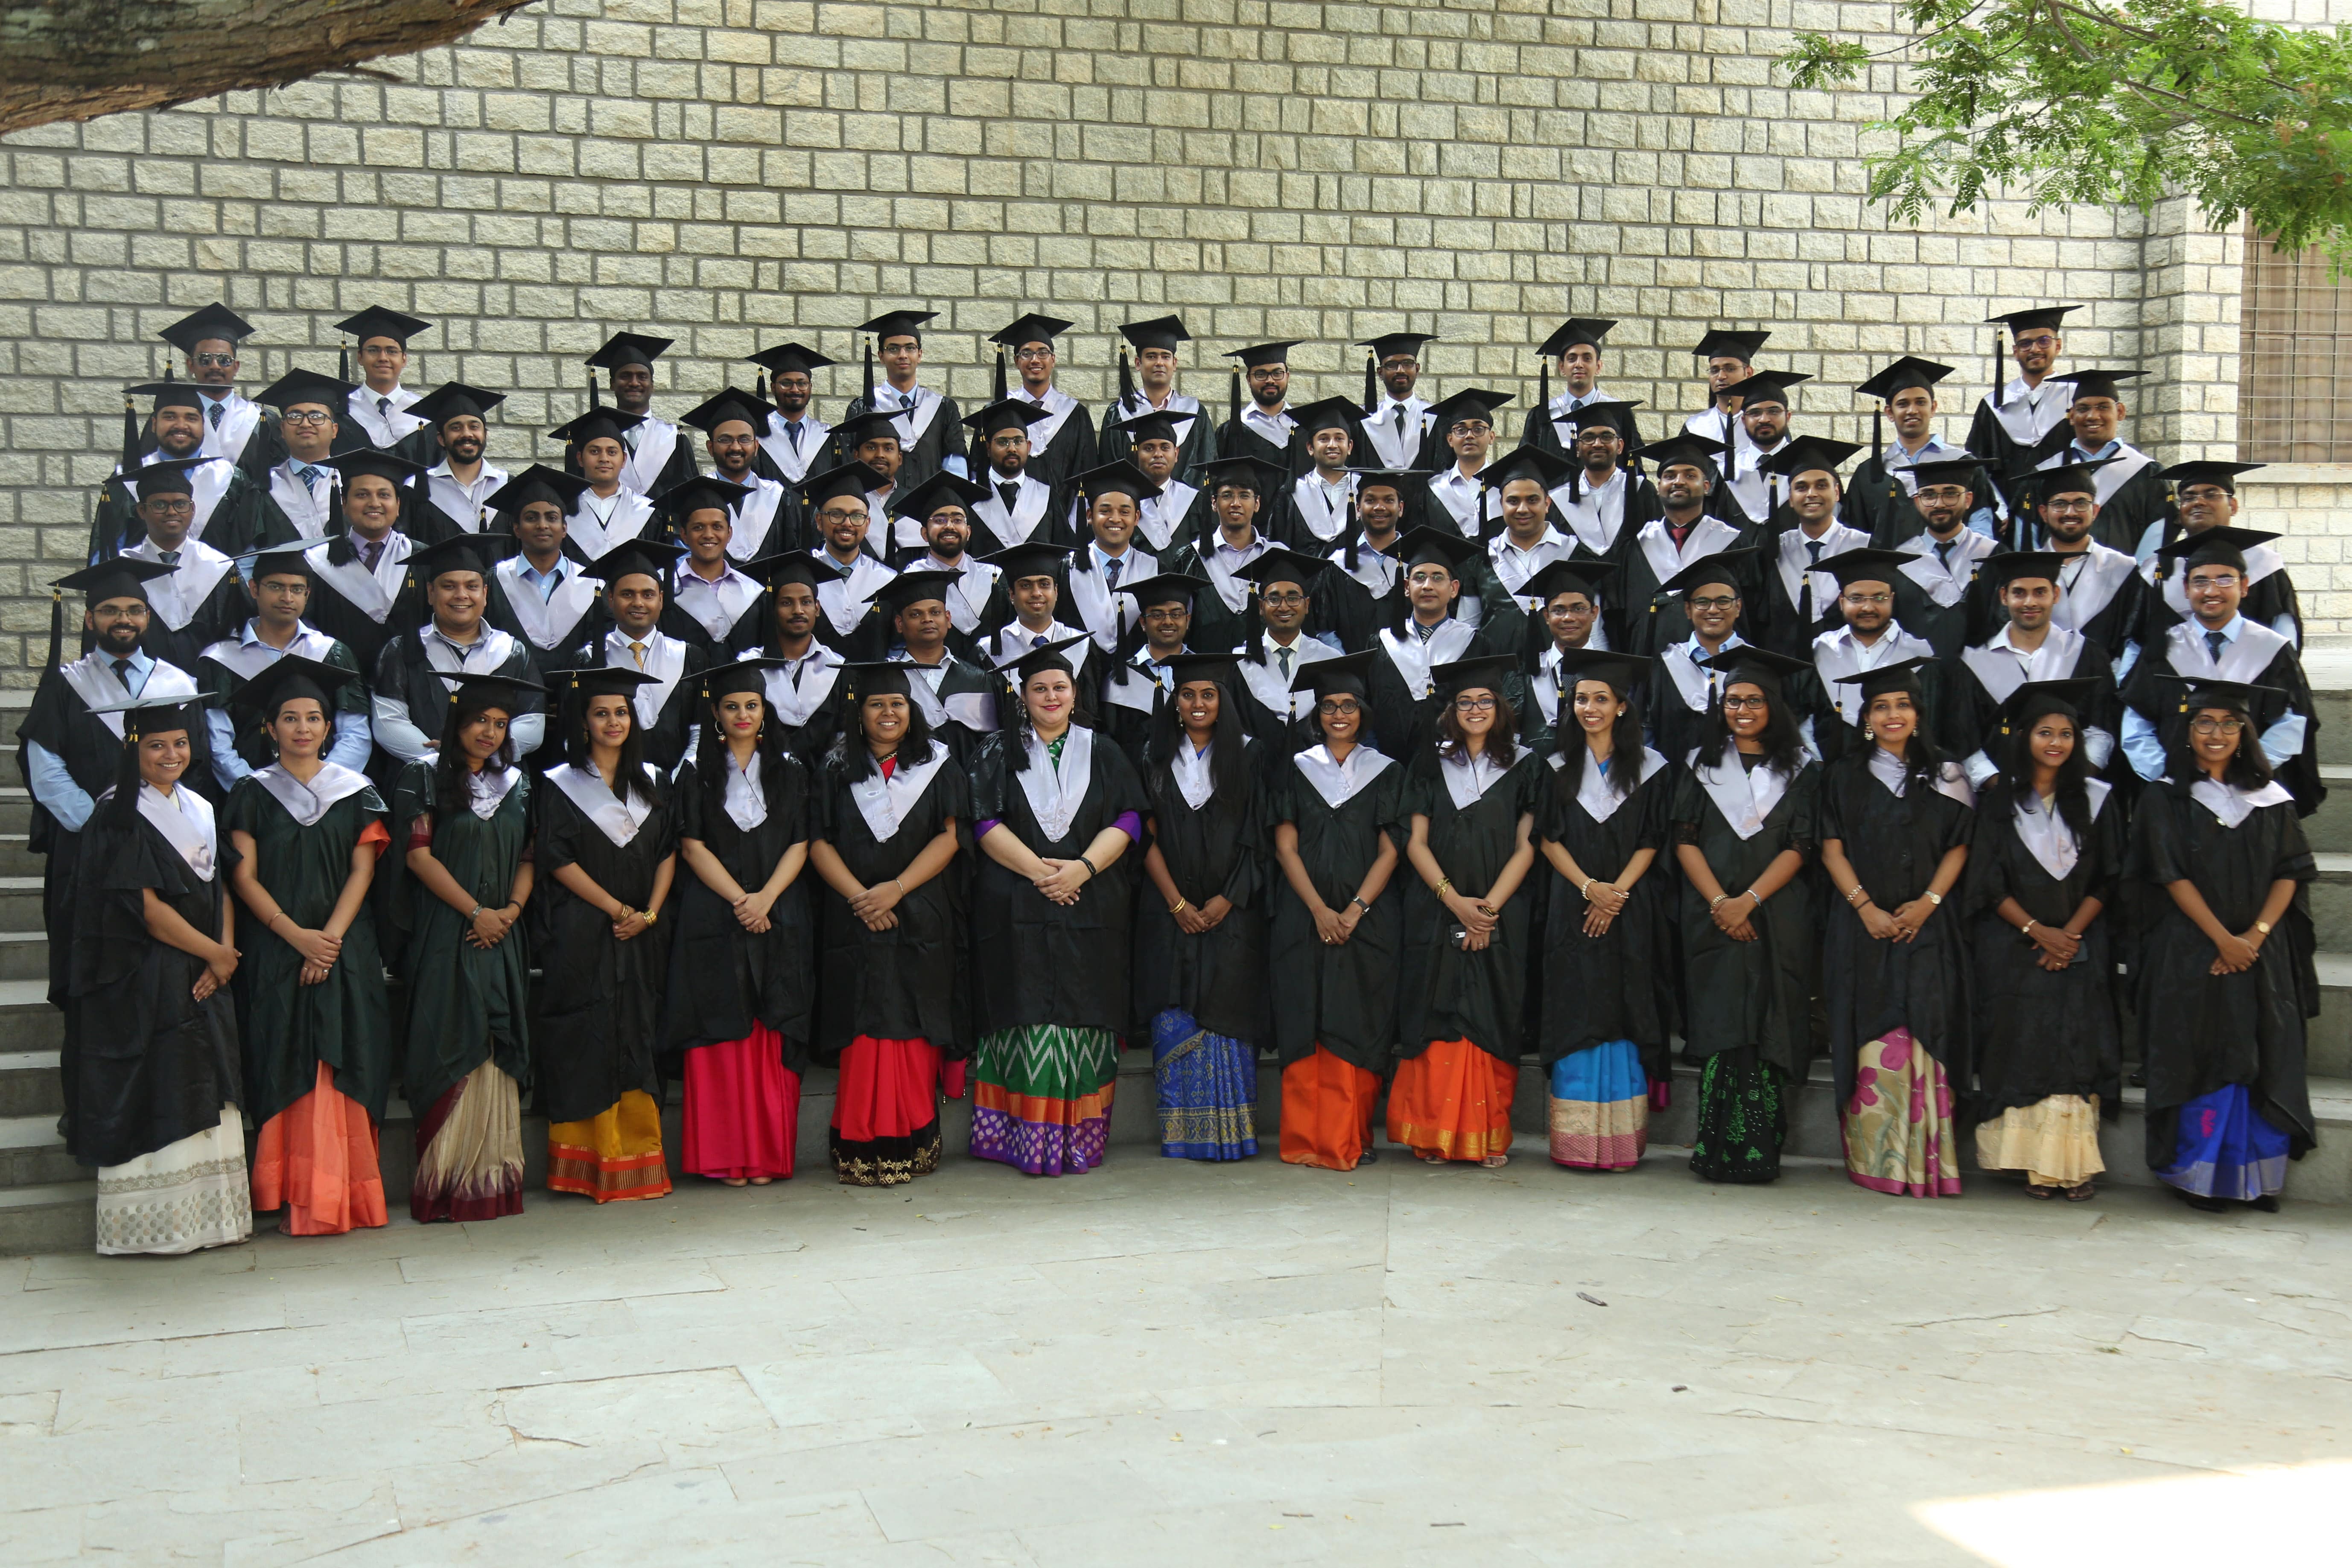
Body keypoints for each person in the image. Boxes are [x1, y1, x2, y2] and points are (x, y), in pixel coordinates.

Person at [61, 693, 253, 1255]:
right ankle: (161, 1226)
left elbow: (219, 887)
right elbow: (143, 909)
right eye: (156, 745)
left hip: (203, 966)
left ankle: (212, 1221)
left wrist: (224, 949)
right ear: (133, 749)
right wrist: (214, 956)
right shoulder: (117, 814)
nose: (171, 754)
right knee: (162, 1077)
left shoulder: (200, 806)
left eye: (179, 743)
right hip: (145, 971)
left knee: (206, 1074)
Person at [2131, 677, 2318, 1212]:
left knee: (2263, 1050)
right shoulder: (2164, 795)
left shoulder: (2271, 797)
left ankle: (2254, 1179)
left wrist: (2253, 936)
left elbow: (2290, 871)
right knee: (2202, 1051)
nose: (2217, 734)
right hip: (2192, 949)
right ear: (2186, 732)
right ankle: (2202, 1176)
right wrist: (2222, 939)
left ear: (2245, 731)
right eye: (2204, 723)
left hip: (2260, 950)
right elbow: (2168, 874)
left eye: (2229, 723)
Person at [222, 657, 394, 1236]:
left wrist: (330, 941)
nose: (302, 728)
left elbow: (362, 871)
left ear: (329, 727)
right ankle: (295, 1190)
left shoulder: (356, 791)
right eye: (290, 718)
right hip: (276, 947)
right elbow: (243, 877)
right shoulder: (251, 791)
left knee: (341, 1054)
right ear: (269, 728)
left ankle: (344, 1190)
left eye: (314, 717)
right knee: (287, 1053)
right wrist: (295, 936)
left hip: (345, 946)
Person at [965, 634, 1147, 1176]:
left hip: (1091, 902)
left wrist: (1082, 869)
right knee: (1025, 1010)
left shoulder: (1103, 749)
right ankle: (1024, 1139)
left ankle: (1077, 1138)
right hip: (1018, 901)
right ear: (1021, 695)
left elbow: (1130, 818)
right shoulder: (997, 750)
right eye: (1039, 688)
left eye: (1059, 687)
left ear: (1074, 693)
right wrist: (1042, 872)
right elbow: (983, 821)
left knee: (1084, 1011)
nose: (1050, 696)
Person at [1818, 659, 1975, 1199]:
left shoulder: (1948, 776)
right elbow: (1831, 847)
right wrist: (1863, 907)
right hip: (1860, 930)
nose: (1892, 715)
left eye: (1902, 705)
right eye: (1881, 706)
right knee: (1870, 1035)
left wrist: (1928, 903)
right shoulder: (1842, 774)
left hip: (1928, 929)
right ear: (1865, 717)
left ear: (1917, 713)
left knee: (1925, 1030)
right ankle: (1876, 1159)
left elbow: (1959, 845)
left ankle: (1926, 1161)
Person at [19, 558, 202, 1011]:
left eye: (134, 609)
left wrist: (159, 828)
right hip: (87, 844)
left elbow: (196, 763)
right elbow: (45, 766)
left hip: (166, 844)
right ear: (90, 619)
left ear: (147, 616)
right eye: (110, 610)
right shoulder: (65, 685)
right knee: (94, 963)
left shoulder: (177, 683)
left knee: (162, 964)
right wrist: (100, 823)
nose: (123, 619)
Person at [809, 662, 969, 1183]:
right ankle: (860, 1144)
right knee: (865, 1022)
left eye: (897, 704)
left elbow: (949, 837)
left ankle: (913, 1141)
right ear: (859, 714)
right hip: (854, 916)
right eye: (877, 704)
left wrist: (894, 889)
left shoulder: (937, 764)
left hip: (920, 911)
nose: (888, 712)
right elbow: (818, 842)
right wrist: (862, 898)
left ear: (912, 710)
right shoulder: (834, 767)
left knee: (911, 1020)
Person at [1964, 679, 2123, 1201]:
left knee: (2074, 1048)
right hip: (2013, 948)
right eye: (2043, 732)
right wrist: (2038, 931)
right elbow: (1986, 883)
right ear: (2023, 737)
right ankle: (2030, 1163)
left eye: (2065, 733)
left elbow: (2109, 878)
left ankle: (2071, 1166)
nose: (2055, 743)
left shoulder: (2098, 800)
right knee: (2022, 1044)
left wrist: (2069, 934)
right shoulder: (1997, 802)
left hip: (2078, 947)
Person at [665, 658, 817, 1187]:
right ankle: (727, 1155)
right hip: (716, 913)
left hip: (779, 911)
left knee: (771, 1026)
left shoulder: (791, 770)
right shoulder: (695, 771)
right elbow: (690, 844)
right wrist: (741, 900)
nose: (742, 714)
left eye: (751, 705)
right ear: (715, 713)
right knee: (721, 1032)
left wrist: (767, 897)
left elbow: (802, 840)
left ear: (764, 710)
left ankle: (767, 1155)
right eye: (731, 706)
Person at [393, 673, 539, 1223]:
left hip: (503, 931)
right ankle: (446, 1181)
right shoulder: (422, 777)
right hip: (445, 931)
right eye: (480, 720)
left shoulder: (518, 784)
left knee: (494, 1044)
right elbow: (418, 856)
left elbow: (528, 856)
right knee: (448, 1035)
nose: (490, 732)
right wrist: (476, 913)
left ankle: (492, 1181)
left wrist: (510, 913)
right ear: (456, 722)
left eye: (501, 724)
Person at [1671, 647, 1819, 1184]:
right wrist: (1720, 902)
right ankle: (1715, 1148)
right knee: (1722, 1023)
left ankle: (1759, 1151)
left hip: (1775, 916)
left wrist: (1747, 900)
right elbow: (1683, 839)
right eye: (1733, 699)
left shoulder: (1802, 770)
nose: (1742, 709)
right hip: (1710, 914)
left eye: (1754, 700)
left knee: (1765, 1023)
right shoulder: (1698, 764)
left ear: (1773, 706)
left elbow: (1801, 845)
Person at [1389, 654, 1543, 1166]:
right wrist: (1455, 902)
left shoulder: (1525, 764)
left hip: (1502, 913)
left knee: (1489, 1015)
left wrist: (1487, 911)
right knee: (1437, 1019)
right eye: (1464, 702)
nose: (1474, 709)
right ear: (1450, 710)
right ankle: (1432, 1133)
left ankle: (1484, 1135)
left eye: (1484, 701)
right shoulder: (1429, 762)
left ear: (1500, 707)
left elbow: (1527, 845)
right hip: (1436, 910)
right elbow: (1415, 842)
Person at [533, 666, 679, 1203]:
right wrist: (618, 907)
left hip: (642, 930)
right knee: (588, 1031)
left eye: (621, 712)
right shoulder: (559, 783)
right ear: (584, 721)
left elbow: (668, 852)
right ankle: (588, 1164)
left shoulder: (655, 780)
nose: (613, 721)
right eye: (601, 713)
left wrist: (650, 913)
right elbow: (555, 858)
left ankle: (639, 1159)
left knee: (637, 1029)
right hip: (583, 927)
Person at [1535, 650, 1677, 1171]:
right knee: (1577, 1005)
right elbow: (1547, 839)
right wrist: (1590, 887)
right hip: (1571, 905)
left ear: (1621, 706)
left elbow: (1652, 838)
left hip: (1630, 908)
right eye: (1581, 699)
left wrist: (1615, 893)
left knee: (1625, 1003)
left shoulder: (1651, 769)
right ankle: (1574, 1144)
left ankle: (1620, 1144)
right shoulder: (1554, 767)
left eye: (1600, 699)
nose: (1589, 707)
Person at [1268, 653, 1404, 1171]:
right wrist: (1321, 910)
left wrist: (1352, 910)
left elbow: (1391, 849)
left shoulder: (1387, 772)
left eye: (1348, 705)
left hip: (1368, 923)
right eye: (1328, 706)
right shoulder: (1296, 768)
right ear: (1316, 712)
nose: (1339, 714)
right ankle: (1305, 1139)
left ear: (1363, 710)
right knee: (1308, 1022)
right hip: (1304, 919)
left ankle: (1349, 1137)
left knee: (1358, 1022)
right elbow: (1285, 847)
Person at [1134, 652, 1268, 1161]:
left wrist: (1225, 899)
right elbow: (1143, 836)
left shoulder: (1250, 756)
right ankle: (1183, 1132)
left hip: (1233, 913)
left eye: (1208, 694)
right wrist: (1177, 902)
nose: (1197, 703)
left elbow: (1259, 836)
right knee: (1175, 1008)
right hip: (1170, 912)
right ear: (1174, 702)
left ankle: (1231, 1133)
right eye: (1187, 694)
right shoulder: (1152, 755)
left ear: (1223, 702)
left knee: (1227, 1005)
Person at [2119, 529, 2323, 815]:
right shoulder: (2162, 649)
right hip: (2176, 793)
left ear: (2245, 586)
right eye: (2200, 581)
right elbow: (2136, 724)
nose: (2212, 591)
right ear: (2186, 588)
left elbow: (2292, 722)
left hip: (2252, 793)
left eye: (2225, 580)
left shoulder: (2272, 648)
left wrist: (2249, 769)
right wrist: (2167, 773)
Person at [199, 542, 374, 789]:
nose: (287, 598)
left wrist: (320, 784)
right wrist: (259, 791)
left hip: (326, 794)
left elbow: (356, 735)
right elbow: (218, 745)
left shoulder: (332, 653)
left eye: (297, 589)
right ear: (254, 589)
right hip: (250, 797)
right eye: (276, 587)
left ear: (307, 595)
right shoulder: (220, 660)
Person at [372, 535, 548, 772]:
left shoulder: (512, 651)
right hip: (426, 778)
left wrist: (484, 755)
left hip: (499, 779)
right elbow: (388, 722)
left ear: (485, 593)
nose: (461, 595)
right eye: (449, 586)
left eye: (472, 586)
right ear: (430, 593)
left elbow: (533, 723)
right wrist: (442, 758)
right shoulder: (403, 650)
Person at [1948, 552, 2119, 789]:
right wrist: (2004, 788)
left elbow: (2103, 729)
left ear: (2056, 595)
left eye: (2040, 592)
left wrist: (2071, 783)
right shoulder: (1974, 663)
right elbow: (1966, 740)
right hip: (2000, 800)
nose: (2030, 603)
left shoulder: (2086, 654)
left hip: (2075, 794)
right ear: (2004, 597)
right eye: (2019, 593)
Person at [557, 539, 709, 772]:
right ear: (610, 599)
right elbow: (574, 733)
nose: (638, 603)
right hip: (610, 786)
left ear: (661, 598)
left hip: (681, 786)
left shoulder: (690, 657)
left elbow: (700, 729)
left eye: (648, 595)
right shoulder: (587, 660)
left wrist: (682, 778)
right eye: (627, 594)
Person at [88, 380, 266, 562]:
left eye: (191, 418)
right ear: (154, 424)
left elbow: (247, 552)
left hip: (215, 586)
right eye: (170, 417)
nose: (181, 425)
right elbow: (107, 551)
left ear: (203, 426)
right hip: (141, 587)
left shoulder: (231, 479)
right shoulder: (126, 480)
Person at [107, 458, 248, 672]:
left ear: (193, 509)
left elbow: (237, 632)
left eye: (180, 504)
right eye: (160, 505)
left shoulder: (219, 566)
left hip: (209, 682)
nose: (172, 512)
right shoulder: (123, 568)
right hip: (142, 684)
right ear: (141, 511)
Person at [1614, 431, 1748, 656]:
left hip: (1717, 660)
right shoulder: (1638, 545)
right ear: (1659, 487)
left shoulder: (1732, 542)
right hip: (1651, 661)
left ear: (1706, 486)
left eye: (1689, 475)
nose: (1678, 481)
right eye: (1670, 475)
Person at [1843, 357, 1996, 544]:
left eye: (1921, 403)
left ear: (1933, 408)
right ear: (1890, 413)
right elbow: (1854, 535)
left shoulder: (1965, 464)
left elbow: (1982, 528)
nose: (1912, 410)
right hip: (1886, 572)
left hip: (1952, 569)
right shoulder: (1867, 474)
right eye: (1903, 404)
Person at [303, 450, 428, 673]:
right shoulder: (316, 562)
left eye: (384, 495)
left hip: (408, 681)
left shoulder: (421, 559)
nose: (374, 503)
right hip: (338, 683)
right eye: (362, 495)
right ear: (343, 503)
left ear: (398, 504)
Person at [1749, 436, 1870, 659]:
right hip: (1787, 673)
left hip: (1848, 670)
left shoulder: (1864, 547)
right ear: (1791, 499)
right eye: (1801, 488)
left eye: (1821, 485)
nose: (1811, 494)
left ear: (1837, 493)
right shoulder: (1773, 552)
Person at [2034, 368, 2168, 552]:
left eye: (2103, 407)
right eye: (2083, 409)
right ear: (2072, 416)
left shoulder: (2148, 473)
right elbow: (2027, 534)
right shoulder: (2043, 472)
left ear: (2120, 412)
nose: (2093, 416)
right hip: (2053, 577)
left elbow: (2157, 538)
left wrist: (2134, 577)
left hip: (2125, 578)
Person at [1159, 454, 1281, 654]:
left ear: (1257, 504)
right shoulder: (1190, 558)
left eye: (1244, 495)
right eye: (1227, 495)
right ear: (1214, 503)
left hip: (1266, 674)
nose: (1236, 503)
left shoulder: (1277, 555)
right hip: (1208, 673)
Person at [878, 570, 1001, 763]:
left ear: (948, 619)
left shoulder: (977, 679)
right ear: (900, 624)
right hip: (904, 782)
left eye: (935, 613)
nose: (927, 619)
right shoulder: (885, 677)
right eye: (916, 614)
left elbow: (988, 746)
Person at [2031, 459, 2145, 665]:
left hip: (2105, 685)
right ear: (2043, 513)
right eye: (2060, 504)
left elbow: (2136, 637)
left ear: (2096, 511)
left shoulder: (2123, 569)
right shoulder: (2024, 570)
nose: (2071, 513)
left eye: (2081, 503)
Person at [482, 465, 605, 657]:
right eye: (531, 518)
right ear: (517, 529)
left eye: (552, 518)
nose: (542, 525)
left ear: (564, 529)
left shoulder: (592, 585)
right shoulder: (495, 581)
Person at [843, 308, 970, 486]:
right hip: (876, 508)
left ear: (920, 354)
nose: (903, 355)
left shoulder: (943, 408)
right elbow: (850, 463)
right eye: (893, 349)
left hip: (931, 509)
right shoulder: (863, 407)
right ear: (881, 356)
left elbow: (955, 469)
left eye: (910, 348)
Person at [1234, 548, 1340, 749]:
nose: (1284, 607)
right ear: (1260, 607)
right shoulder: (1238, 665)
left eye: (1293, 598)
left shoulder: (1329, 660)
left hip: (1317, 774)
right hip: (1255, 774)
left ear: (1307, 605)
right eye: (1274, 599)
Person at [159, 302, 282, 473]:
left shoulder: (262, 420)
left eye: (224, 360)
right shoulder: (169, 420)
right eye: (205, 359)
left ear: (236, 366)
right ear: (190, 365)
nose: (215, 366)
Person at [755, 552, 852, 767]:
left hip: (826, 783)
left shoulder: (840, 669)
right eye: (787, 603)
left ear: (817, 609)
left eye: (806, 602)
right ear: (773, 610)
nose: (798, 611)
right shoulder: (750, 666)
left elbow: (845, 738)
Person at [1097, 314, 1217, 480]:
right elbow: (1108, 467)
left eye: (1166, 356)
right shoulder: (1118, 413)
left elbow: (1205, 468)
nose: (1159, 363)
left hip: (1185, 504)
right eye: (1151, 356)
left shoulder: (1195, 413)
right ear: (1138, 363)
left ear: (1174, 364)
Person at [1968, 304, 2081, 478]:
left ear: (2058, 346)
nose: (2035, 349)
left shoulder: (2076, 399)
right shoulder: (1992, 406)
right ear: (2015, 351)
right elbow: (1977, 466)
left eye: (2044, 341)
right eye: (2025, 344)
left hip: (2062, 502)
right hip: (2005, 504)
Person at [802, 464, 900, 662]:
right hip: (816, 689)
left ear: (868, 524)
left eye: (857, 516)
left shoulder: (887, 581)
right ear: (819, 521)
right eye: (836, 514)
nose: (847, 523)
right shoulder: (804, 574)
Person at [663, 474, 770, 656]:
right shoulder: (666, 593)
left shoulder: (753, 592)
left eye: (717, 527)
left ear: (729, 534)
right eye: (698, 528)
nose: (708, 535)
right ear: (684, 535)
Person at [1517, 559, 1617, 753]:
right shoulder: (1525, 674)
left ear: (1595, 613)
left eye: (1579, 609)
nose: (1568, 617)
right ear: (1546, 617)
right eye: (1559, 610)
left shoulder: (1616, 671)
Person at [683, 388, 794, 562]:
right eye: (725, 440)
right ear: (710, 448)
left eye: (744, 439)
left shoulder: (779, 498)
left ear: (756, 447)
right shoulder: (694, 498)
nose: (736, 447)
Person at [253, 367, 360, 546]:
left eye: (316, 416)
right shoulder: (263, 487)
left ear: (334, 430)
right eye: (294, 416)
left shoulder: (355, 481)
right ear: (282, 430)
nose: (305, 424)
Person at [586, 332, 698, 497]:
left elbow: (690, 496)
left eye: (642, 377)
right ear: (612, 384)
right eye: (625, 376)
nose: (634, 383)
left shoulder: (674, 439)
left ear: (652, 385)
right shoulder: (593, 438)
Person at [992, 311, 1098, 487]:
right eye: (1026, 354)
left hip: (1067, 513)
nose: (1035, 360)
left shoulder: (1075, 414)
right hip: (1007, 511)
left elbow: (1087, 469)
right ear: (1016, 361)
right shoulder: (999, 410)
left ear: (1053, 359)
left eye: (1043, 353)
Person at [547, 408, 658, 560]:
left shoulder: (647, 511)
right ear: (580, 459)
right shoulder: (561, 509)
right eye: (595, 452)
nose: (604, 459)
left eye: (612, 452)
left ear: (624, 460)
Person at [959, 397, 1062, 557]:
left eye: (1018, 441)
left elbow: (1063, 551)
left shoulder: (1047, 497)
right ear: (987, 448)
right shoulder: (969, 497)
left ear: (1028, 447)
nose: (1012, 449)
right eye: (1003, 442)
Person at [1520, 318, 1634, 453]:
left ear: (1598, 366)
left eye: (1587, 358)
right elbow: (1526, 463)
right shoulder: (1541, 415)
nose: (1579, 364)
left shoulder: (1619, 412)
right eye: (1572, 359)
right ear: (1562, 367)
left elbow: (1633, 462)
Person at [410, 382, 509, 534]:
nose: (467, 434)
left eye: (474, 427)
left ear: (486, 435)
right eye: (456, 428)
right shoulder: (417, 489)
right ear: (441, 439)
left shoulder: (507, 487)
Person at [1709, 370, 1805, 526]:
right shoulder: (1726, 472)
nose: (1764, 419)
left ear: (1788, 417)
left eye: (1774, 411)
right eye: (1755, 413)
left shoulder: (1808, 468)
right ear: (1743, 420)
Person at [335, 305, 434, 455]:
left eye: (392, 351)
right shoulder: (342, 410)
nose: (383, 358)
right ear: (360, 357)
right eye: (373, 350)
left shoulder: (423, 413)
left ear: (404, 359)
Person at [1277, 396, 1367, 551]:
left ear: (1350, 447)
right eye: (1324, 439)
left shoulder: (1365, 490)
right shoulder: (1292, 494)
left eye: (1339, 439)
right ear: (1310, 448)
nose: (1332, 445)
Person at [750, 340, 835, 485]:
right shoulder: (756, 437)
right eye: (786, 383)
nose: (795, 390)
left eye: (802, 383)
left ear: (810, 387)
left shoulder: (828, 436)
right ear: (773, 387)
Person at [1356, 329, 1440, 469]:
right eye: (1391, 365)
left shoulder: (1436, 418)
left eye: (1408, 363)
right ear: (1380, 373)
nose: (1400, 370)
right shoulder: (1361, 420)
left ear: (1417, 369)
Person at [1217, 340, 1301, 474]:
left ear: (1288, 376)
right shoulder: (1230, 431)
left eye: (1277, 373)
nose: (1270, 380)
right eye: (1261, 374)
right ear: (1248, 379)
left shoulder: (1304, 428)